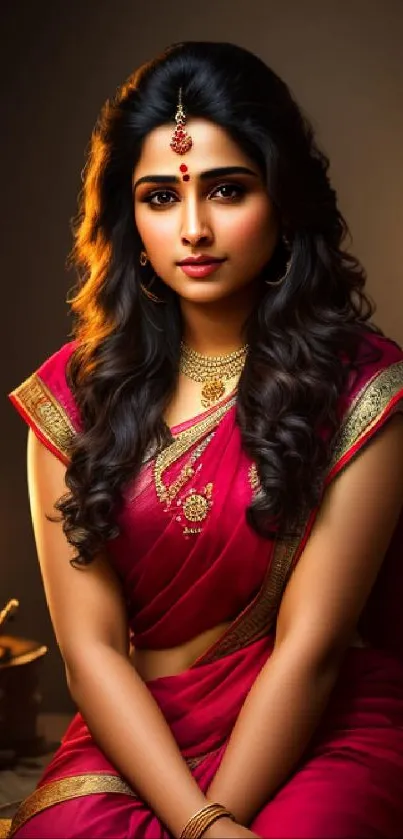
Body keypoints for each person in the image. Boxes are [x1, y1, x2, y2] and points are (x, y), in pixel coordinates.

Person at [5, 40, 403, 839]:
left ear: (282, 202)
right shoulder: (72, 399)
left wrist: (213, 821)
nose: (192, 228)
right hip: (139, 734)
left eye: (227, 190)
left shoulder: (363, 387)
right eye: (159, 197)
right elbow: (90, 655)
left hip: (314, 723)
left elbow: (311, 647)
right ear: (129, 217)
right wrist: (199, 822)